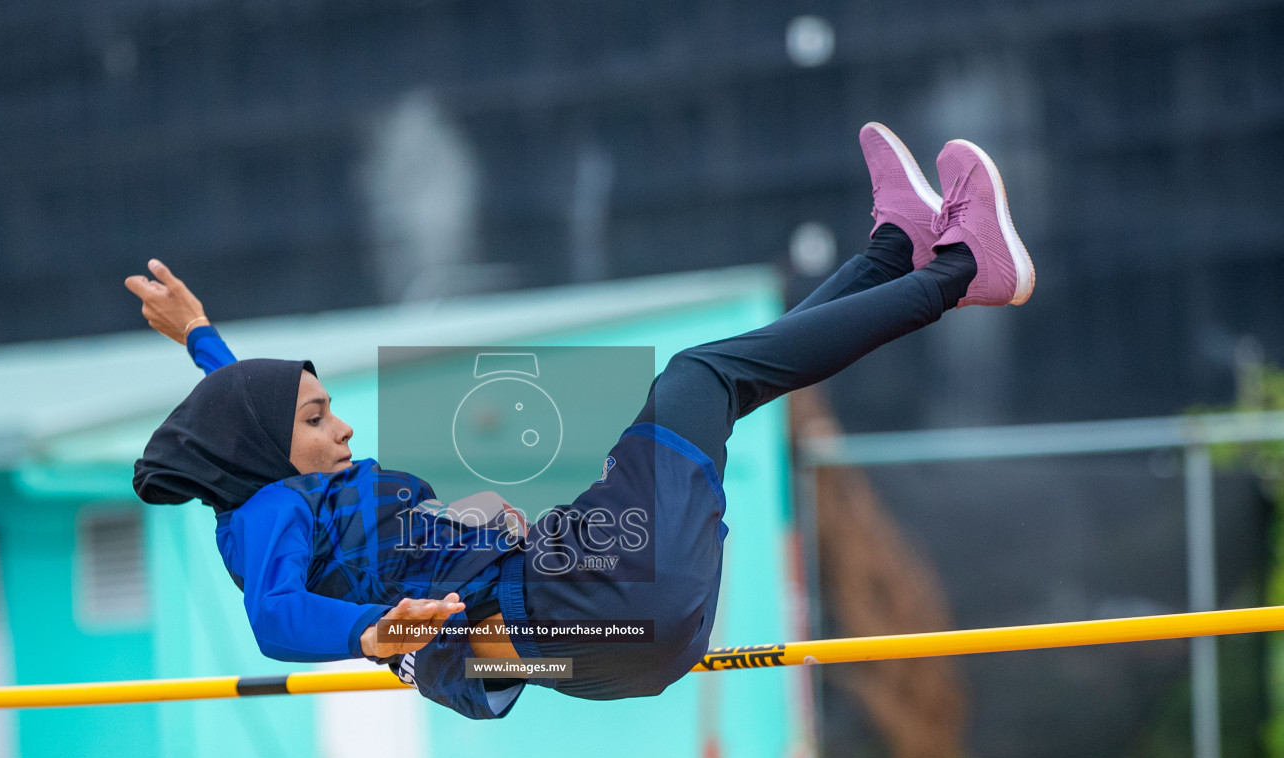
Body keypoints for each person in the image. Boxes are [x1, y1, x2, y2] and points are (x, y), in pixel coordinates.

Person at [126, 124, 1033, 720]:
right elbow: (275, 620)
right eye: (321, 420)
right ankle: (959, 271)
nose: (346, 433)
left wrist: (201, 336)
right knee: (701, 376)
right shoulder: (271, 515)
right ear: (266, 451)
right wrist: (372, 636)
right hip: (594, 601)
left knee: (718, 393)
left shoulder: (270, 490)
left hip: (601, 648)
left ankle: (892, 249)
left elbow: (250, 415)